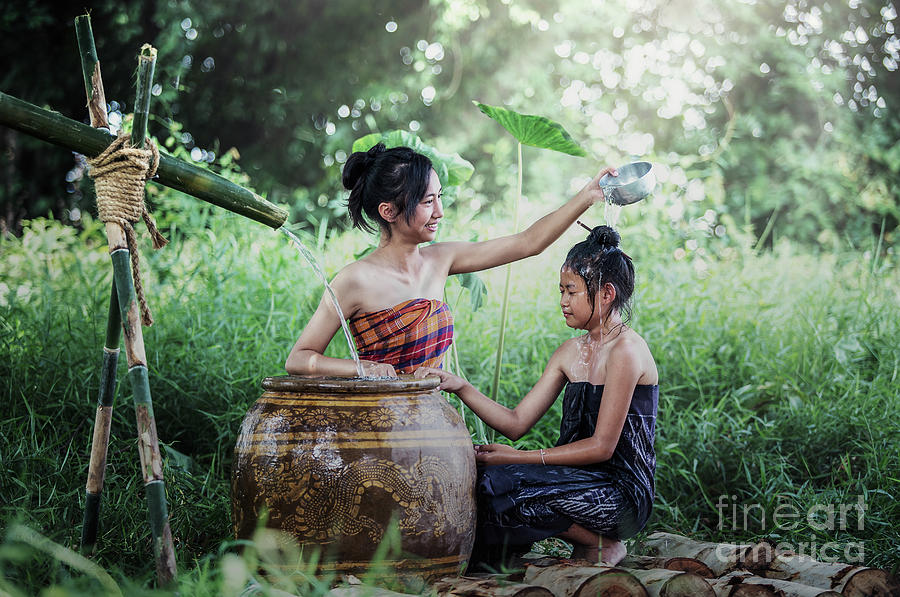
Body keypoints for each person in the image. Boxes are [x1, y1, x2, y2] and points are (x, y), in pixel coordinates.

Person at [415, 225, 658, 567]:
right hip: (573, 480)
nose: (563, 301)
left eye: (571, 292)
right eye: (561, 290)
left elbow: (602, 447)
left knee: (501, 485)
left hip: (620, 494)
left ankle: (602, 544)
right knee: (480, 482)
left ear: (605, 294)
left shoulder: (627, 351)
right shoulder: (569, 351)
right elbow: (516, 423)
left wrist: (517, 458)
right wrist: (461, 386)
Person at [285, 143, 618, 377]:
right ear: (388, 211)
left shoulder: (441, 258)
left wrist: (588, 196)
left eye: (439, 197)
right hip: (377, 424)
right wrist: (363, 368)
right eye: (428, 201)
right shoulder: (353, 280)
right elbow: (299, 359)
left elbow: (527, 243)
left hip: (433, 420)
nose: (440, 212)